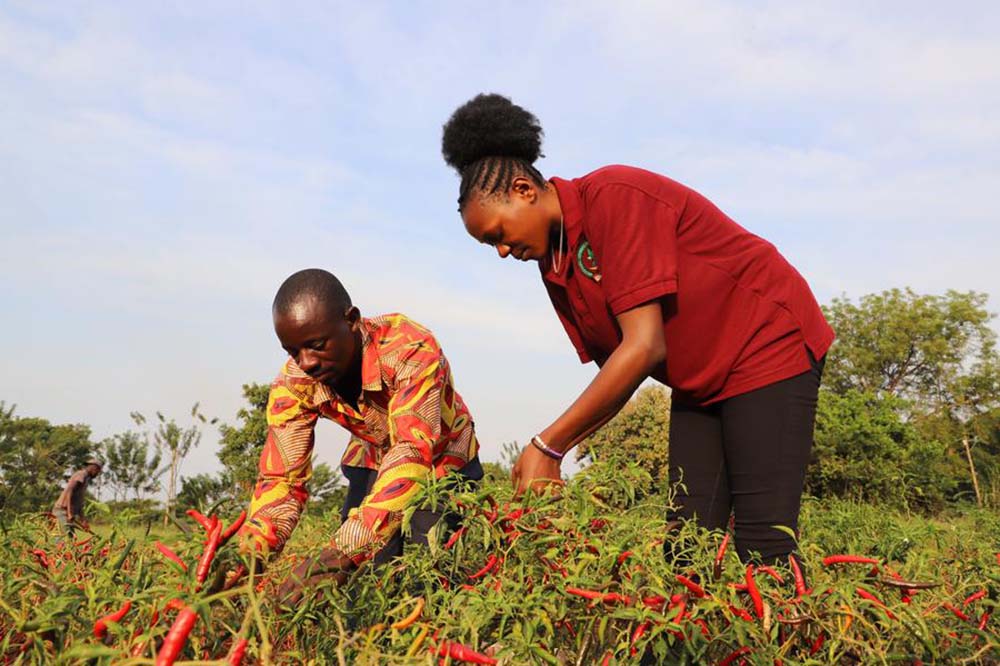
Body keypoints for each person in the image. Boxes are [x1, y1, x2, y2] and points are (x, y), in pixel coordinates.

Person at [439, 94, 834, 570]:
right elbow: (620, 371)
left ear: (524, 190)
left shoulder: (614, 198)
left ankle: (787, 639)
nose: (501, 251)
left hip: (768, 345)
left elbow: (644, 346)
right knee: (687, 546)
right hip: (701, 382)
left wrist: (548, 446)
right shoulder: (556, 263)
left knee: (763, 544)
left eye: (497, 234)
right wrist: (555, 453)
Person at [238, 269, 482, 603]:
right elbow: (282, 479)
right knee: (364, 589)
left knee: (426, 577)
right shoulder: (293, 382)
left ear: (351, 321)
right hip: (373, 456)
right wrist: (249, 557)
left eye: (317, 346)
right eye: (293, 351)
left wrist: (342, 552)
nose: (306, 362)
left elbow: (412, 452)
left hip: (442, 460)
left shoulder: (408, 347)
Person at [52, 458, 102, 536]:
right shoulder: (81, 474)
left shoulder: (86, 480)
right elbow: (69, 491)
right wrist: (69, 513)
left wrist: (83, 520)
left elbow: (79, 503)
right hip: (62, 511)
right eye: (97, 471)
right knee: (64, 539)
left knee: (71, 539)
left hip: (68, 513)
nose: (97, 474)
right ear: (94, 467)